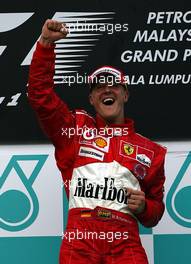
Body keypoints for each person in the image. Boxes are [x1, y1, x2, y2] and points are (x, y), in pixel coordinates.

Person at [28, 19, 167, 264]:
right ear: (92, 98)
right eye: (99, 87)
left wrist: (145, 207)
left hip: (126, 242)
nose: (107, 90)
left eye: (113, 85)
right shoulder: (74, 130)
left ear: (125, 93)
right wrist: (46, 44)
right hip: (81, 238)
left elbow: (154, 213)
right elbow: (40, 96)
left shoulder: (151, 151)